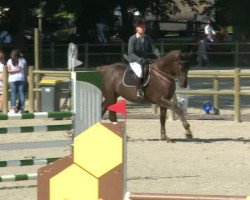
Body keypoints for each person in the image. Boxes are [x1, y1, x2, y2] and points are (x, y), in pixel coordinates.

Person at [127, 17, 160, 98]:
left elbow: (154, 48)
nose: (142, 29)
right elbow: (130, 53)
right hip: (134, 60)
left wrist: (159, 55)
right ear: (136, 28)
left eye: (144, 27)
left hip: (144, 59)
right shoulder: (132, 39)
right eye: (140, 27)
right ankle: (139, 90)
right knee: (140, 72)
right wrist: (139, 60)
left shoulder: (147, 37)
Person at [7, 49, 28, 114]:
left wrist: (14, 71)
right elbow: (25, 71)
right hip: (21, 78)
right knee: (21, 93)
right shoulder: (23, 60)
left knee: (13, 93)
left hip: (12, 79)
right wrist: (26, 78)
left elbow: (8, 70)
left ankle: (13, 108)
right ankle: (21, 108)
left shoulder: (9, 60)